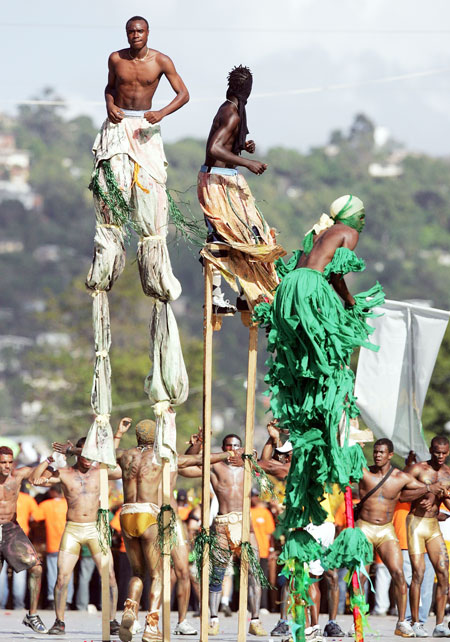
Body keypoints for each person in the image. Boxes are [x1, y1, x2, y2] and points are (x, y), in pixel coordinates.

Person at [87, 15, 189, 297]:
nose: (135, 35)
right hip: (119, 126)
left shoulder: (161, 61)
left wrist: (161, 113)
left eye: (140, 31)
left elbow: (183, 94)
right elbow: (110, 87)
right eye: (131, 31)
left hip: (144, 127)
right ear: (126, 33)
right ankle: (106, 262)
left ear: (147, 33)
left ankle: (156, 274)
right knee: (110, 189)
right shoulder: (116, 59)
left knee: (149, 190)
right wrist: (109, 104)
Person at [113, 418, 241, 642]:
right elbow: (196, 459)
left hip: (142, 515)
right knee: (160, 575)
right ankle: (152, 625)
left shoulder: (134, 456)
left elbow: (193, 459)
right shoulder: (165, 458)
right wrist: (230, 454)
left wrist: (115, 435)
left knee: (179, 571)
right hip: (152, 517)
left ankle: (176, 620)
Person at [198, 64, 284, 314]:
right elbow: (214, 148)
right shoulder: (232, 113)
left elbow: (224, 145)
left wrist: (241, 146)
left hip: (225, 180)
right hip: (217, 183)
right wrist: (248, 163)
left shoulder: (233, 110)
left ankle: (247, 295)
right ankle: (215, 297)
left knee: (252, 235)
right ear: (246, 89)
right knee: (223, 238)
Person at [30, 437, 121, 636]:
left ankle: (113, 620)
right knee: (62, 578)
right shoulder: (65, 473)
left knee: (110, 575)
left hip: (95, 529)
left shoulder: (100, 472)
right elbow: (34, 479)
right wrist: (50, 459)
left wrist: (76, 450)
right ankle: (59, 621)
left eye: (90, 452)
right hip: (73, 529)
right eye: (84, 452)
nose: (88, 457)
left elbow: (120, 471)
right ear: (77, 453)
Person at [181, 433, 268, 637]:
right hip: (222, 524)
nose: (232, 450)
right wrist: (197, 446)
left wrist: (269, 441)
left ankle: (254, 620)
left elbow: (269, 463)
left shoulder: (248, 466)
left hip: (244, 524)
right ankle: (213, 619)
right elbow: (185, 467)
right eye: (228, 446)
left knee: (254, 573)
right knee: (217, 574)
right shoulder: (215, 467)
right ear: (222, 447)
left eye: (236, 446)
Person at [357, 438, 443, 638]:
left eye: (381, 452)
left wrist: (432, 496)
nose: (377, 455)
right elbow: (345, 468)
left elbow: (423, 488)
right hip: (364, 528)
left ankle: (402, 622)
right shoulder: (364, 472)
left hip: (386, 530)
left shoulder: (400, 477)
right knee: (360, 575)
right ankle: (358, 619)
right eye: (375, 452)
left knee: (399, 575)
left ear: (390, 455)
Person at [404, 436, 450, 638]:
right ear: (430, 450)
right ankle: (415, 622)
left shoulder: (448, 473)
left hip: (433, 526)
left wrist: (445, 498)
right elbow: (401, 495)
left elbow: (448, 503)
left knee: (443, 574)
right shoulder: (417, 469)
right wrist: (425, 490)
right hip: (415, 522)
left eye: (444, 453)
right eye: (437, 452)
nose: (440, 456)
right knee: (418, 573)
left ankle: (439, 624)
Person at [0, 445, 48, 633]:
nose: (7, 466)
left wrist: (50, 460)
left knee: (36, 568)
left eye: (10, 462)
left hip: (11, 528)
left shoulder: (17, 475)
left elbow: (36, 474)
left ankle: (32, 615)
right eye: (3, 463)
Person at [32, 483, 74, 610]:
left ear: (52, 492)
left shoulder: (46, 505)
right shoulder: (69, 504)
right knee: (67, 573)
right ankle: (67, 600)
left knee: (53, 572)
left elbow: (34, 517)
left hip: (52, 544)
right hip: (69, 545)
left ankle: (52, 599)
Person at [0, 482, 38, 609]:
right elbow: (35, 517)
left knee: (2, 573)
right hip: (19, 537)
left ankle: (1, 604)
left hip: (2, 531)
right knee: (20, 571)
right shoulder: (28, 499)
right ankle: (18, 604)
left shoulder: (4, 496)